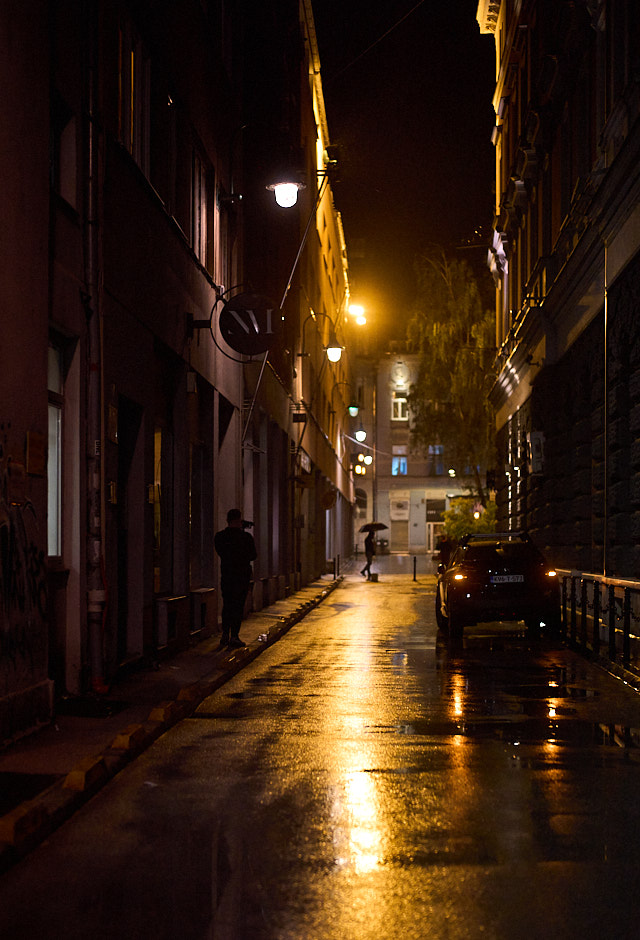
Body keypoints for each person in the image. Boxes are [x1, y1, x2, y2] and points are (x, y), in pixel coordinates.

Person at [214, 508, 257, 649]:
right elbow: (253, 555)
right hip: (241, 577)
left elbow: (220, 552)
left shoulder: (220, 537)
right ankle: (234, 636)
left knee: (227, 605)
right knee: (238, 606)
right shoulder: (246, 538)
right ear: (239, 521)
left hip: (227, 575)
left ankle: (225, 634)